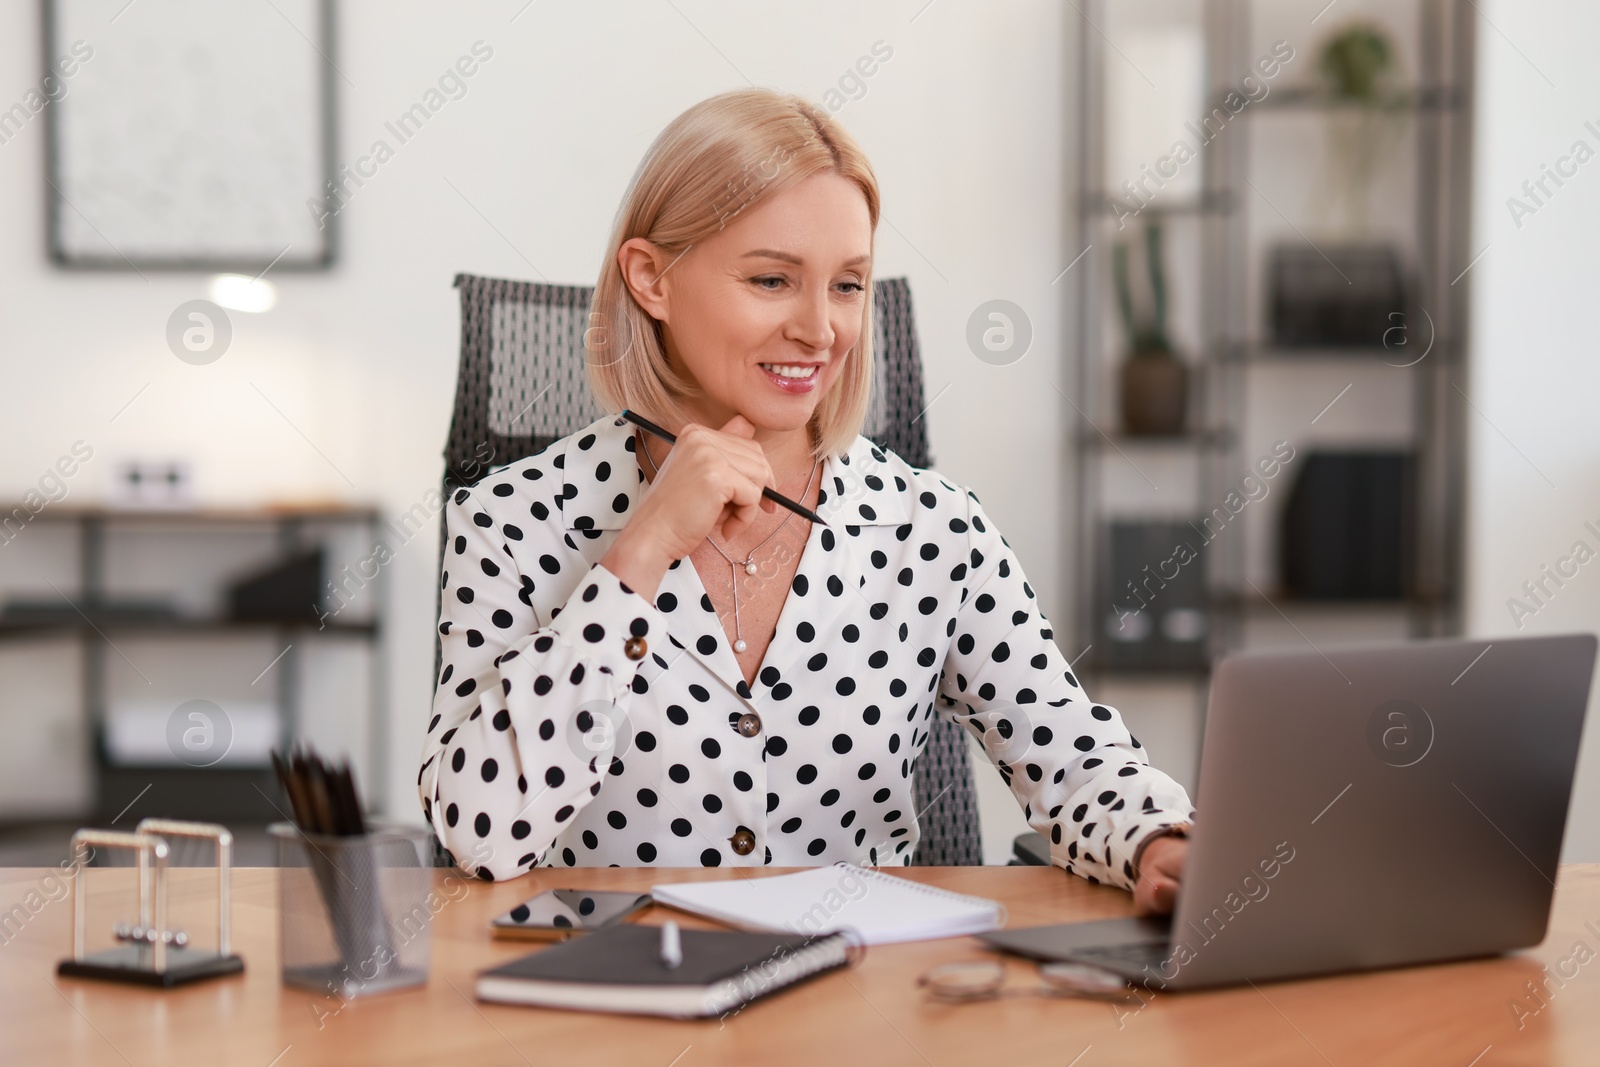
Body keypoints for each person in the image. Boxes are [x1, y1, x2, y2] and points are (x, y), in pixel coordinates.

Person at [419, 87, 1194, 915]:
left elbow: (1074, 758)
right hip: (612, 1013)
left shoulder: (934, 531)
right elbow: (483, 832)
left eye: (848, 286)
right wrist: (635, 556)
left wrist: (1159, 840)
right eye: (771, 279)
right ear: (651, 279)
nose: (821, 330)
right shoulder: (511, 520)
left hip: (858, 1013)